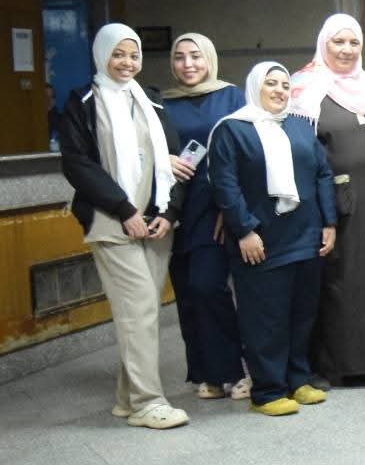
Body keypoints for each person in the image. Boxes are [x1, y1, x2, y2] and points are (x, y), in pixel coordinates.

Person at [59, 24, 189, 429]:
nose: (127, 62)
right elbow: (77, 164)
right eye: (118, 54)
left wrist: (169, 213)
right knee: (139, 310)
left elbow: (173, 162)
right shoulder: (83, 101)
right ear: (102, 55)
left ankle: (126, 397)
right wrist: (124, 210)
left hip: (155, 223)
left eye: (133, 55)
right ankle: (148, 403)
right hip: (113, 223)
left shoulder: (150, 100)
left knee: (143, 313)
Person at [208, 62, 336, 417]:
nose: (280, 90)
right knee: (265, 318)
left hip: (305, 235)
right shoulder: (233, 129)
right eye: (271, 84)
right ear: (254, 87)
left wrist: (328, 222)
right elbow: (225, 184)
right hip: (260, 240)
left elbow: (322, 174)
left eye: (284, 85)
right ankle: (266, 391)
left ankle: (298, 380)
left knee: (301, 314)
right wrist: (244, 230)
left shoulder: (299, 126)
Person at [289, 13, 365, 385]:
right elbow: (300, 154)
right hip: (330, 203)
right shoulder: (305, 88)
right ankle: (329, 366)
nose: (347, 50)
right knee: (335, 281)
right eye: (338, 42)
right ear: (323, 43)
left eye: (353, 42)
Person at [163, 31, 248, 401]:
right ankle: (206, 373)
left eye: (195, 56)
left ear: (209, 58)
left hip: (216, 208)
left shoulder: (231, 97)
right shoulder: (162, 103)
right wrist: (164, 159)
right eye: (180, 57)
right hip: (176, 209)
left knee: (207, 286)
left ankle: (235, 370)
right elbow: (149, 147)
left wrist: (231, 208)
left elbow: (246, 151)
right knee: (187, 293)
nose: (188, 64)